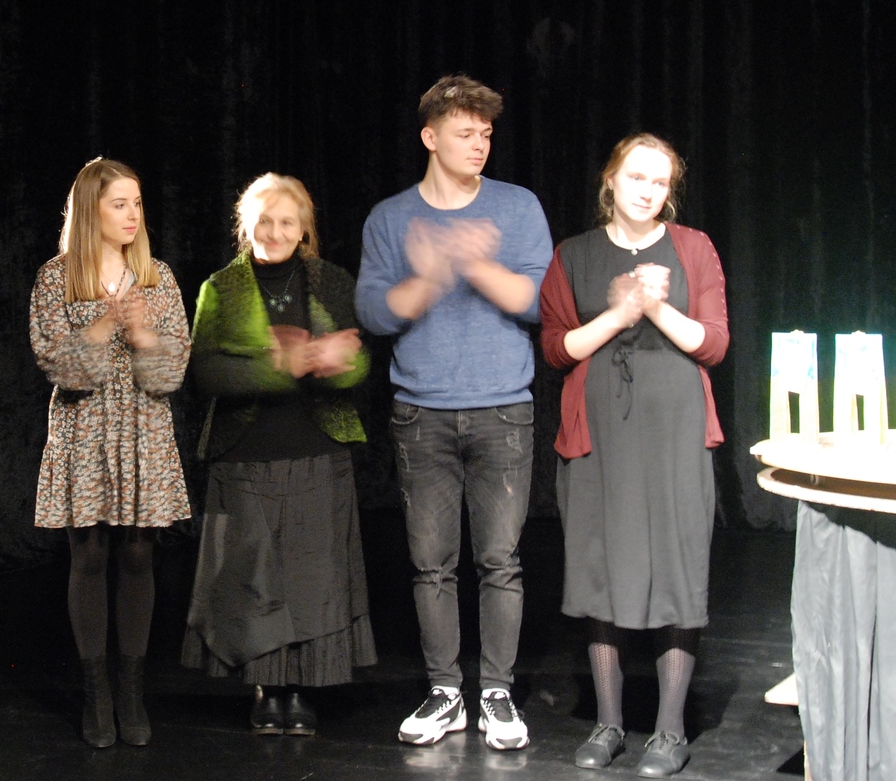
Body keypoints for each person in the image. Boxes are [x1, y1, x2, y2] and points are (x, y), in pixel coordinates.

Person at [355, 74, 552, 750]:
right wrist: (432, 275)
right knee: (431, 564)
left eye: (486, 134)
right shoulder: (390, 218)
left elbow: (541, 302)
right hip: (422, 412)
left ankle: (496, 692)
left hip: (503, 409)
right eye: (465, 133)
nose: (479, 144)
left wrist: (472, 263)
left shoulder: (516, 207)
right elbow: (374, 312)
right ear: (430, 137)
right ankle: (445, 691)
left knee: (500, 560)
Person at [537, 134, 728, 778]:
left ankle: (670, 730)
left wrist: (656, 307)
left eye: (660, 182)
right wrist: (619, 315)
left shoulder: (693, 247)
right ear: (611, 181)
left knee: (676, 568)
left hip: (674, 433)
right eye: (637, 177)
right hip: (600, 437)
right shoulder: (574, 254)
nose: (648, 191)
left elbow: (714, 343)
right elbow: (557, 348)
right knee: (602, 568)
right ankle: (608, 722)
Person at [181, 173, 378, 737]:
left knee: (314, 580)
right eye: (263, 220)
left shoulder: (331, 281)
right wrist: (283, 365)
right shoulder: (221, 288)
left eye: (286, 221)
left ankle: (303, 690)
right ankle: (267, 690)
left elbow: (359, 363)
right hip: (246, 453)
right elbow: (206, 373)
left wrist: (335, 362)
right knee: (255, 581)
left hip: (317, 449)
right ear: (245, 226)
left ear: (304, 229)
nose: (274, 231)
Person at [29, 158, 191, 749]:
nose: (132, 215)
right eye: (119, 204)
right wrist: (104, 325)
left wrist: (143, 334)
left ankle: (130, 691)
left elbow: (172, 372)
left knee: (139, 555)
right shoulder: (57, 279)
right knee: (90, 555)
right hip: (85, 433)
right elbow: (60, 366)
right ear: (90, 211)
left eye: (137, 204)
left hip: (142, 431)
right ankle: (96, 693)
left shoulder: (157, 277)